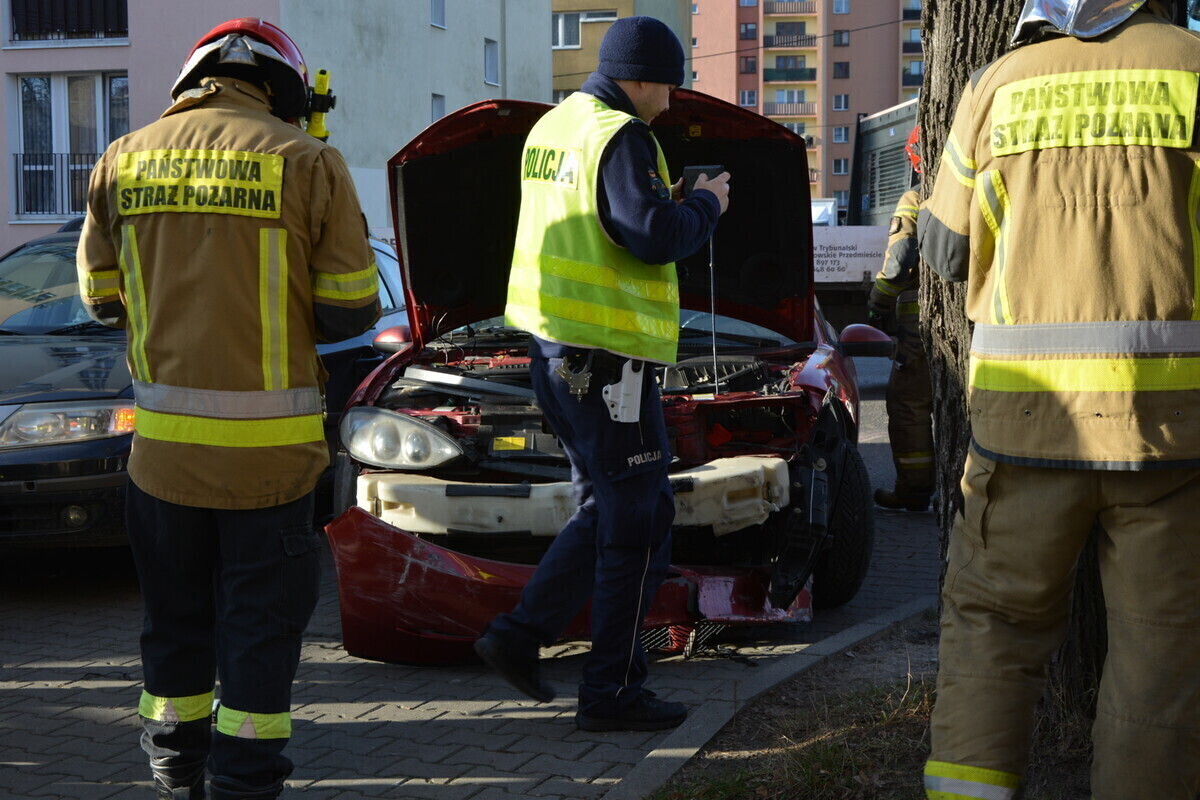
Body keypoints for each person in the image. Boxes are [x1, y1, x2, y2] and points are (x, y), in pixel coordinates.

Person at [76, 18, 379, 800]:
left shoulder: (121, 158)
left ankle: (175, 767)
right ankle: (244, 781)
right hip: (270, 467)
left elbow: (101, 300)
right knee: (257, 629)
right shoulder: (308, 161)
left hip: (161, 462)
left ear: (191, 80)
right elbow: (349, 310)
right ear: (280, 89)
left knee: (173, 621)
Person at [918, 2, 1200, 798]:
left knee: (991, 634)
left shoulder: (994, 84)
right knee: (1162, 655)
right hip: (1169, 435)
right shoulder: (1193, 67)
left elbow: (942, 249)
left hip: (1022, 432)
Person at [473, 15, 730, 732]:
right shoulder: (621, 136)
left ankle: (520, 639)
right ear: (640, 77)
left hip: (558, 357)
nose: (672, 102)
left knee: (609, 510)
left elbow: (603, 222)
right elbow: (651, 236)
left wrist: (662, 197)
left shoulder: (556, 128)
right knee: (641, 521)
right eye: (669, 87)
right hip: (606, 366)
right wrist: (708, 204)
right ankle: (608, 691)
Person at [867, 169, 934, 512]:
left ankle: (914, 490)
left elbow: (901, 257)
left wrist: (878, 300)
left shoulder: (918, 196)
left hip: (922, 328)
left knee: (909, 405)